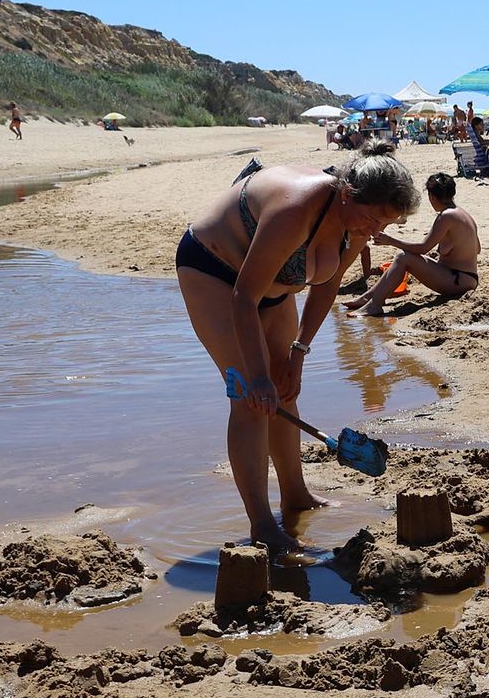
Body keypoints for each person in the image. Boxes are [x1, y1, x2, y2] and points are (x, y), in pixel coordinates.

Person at [176, 142, 419, 553]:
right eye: (374, 219)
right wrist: (255, 376)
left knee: (284, 389)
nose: (376, 231)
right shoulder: (296, 208)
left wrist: (297, 355)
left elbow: (327, 287)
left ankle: (296, 494)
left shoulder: (358, 225)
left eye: (386, 224)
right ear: (347, 193)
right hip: (215, 273)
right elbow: (243, 299)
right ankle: (262, 523)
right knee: (252, 400)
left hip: (275, 290)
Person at [346, 172, 480, 316]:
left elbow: (423, 248)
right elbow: (477, 249)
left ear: (432, 197)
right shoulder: (464, 214)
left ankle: (375, 305)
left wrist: (390, 241)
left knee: (403, 257)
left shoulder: (446, 216)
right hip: (465, 277)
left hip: (458, 281)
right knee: (405, 257)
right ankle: (369, 297)